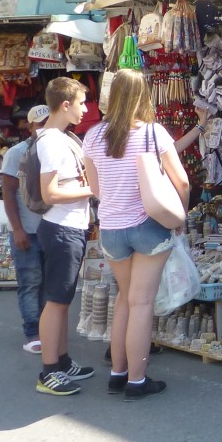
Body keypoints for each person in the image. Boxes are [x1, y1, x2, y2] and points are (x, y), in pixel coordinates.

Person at [83, 70, 190, 401]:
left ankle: (117, 374)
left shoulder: (93, 136)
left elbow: (96, 188)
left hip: (111, 229)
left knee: (125, 299)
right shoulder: (153, 133)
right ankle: (137, 380)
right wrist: (180, 215)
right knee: (142, 303)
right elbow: (182, 182)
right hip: (148, 226)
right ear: (144, 95)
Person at [33, 76, 96, 396]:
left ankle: (61, 361)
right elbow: (51, 193)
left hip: (68, 227)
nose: (85, 110)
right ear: (66, 104)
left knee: (62, 299)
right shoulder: (53, 141)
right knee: (56, 301)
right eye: (82, 103)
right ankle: (48, 372)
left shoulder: (61, 137)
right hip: (62, 228)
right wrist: (93, 190)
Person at [1, 105, 50, 353]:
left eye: (48, 123)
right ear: (30, 126)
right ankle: (33, 332)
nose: (44, 128)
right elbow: (8, 193)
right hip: (28, 230)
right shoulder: (16, 153)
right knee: (30, 283)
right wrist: (17, 229)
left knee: (49, 284)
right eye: (40, 124)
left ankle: (47, 330)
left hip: (52, 230)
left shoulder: (58, 149)